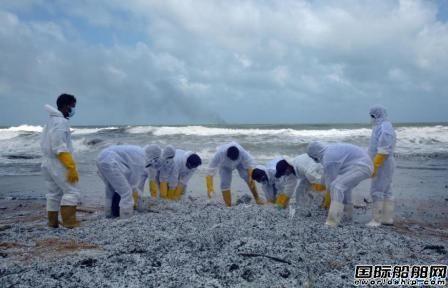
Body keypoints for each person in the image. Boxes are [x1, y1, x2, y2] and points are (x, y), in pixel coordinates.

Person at [307, 141, 373, 227]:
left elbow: (331, 182)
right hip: (363, 164)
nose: (315, 160)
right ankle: (348, 215)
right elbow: (326, 175)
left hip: (362, 166)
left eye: (313, 158)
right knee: (344, 187)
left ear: (315, 155)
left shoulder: (328, 158)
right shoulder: (329, 151)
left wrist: (327, 202)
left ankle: (333, 220)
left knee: (337, 186)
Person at [40, 93, 80, 228]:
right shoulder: (61, 122)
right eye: (72, 107)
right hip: (58, 162)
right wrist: (70, 166)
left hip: (47, 162)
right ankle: (70, 223)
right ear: (66, 106)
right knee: (71, 191)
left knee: (53, 193)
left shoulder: (50, 121)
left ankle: (52, 223)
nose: (73, 110)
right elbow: (60, 146)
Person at [97, 145, 151, 218]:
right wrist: (139, 195)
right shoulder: (141, 160)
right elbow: (133, 183)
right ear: (151, 158)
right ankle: (126, 217)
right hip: (110, 161)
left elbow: (127, 174)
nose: (147, 166)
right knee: (126, 192)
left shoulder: (138, 151)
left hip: (101, 158)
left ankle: (109, 214)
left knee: (110, 189)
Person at [205, 141, 264, 207]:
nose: (233, 161)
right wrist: (210, 187)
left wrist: (250, 177)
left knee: (248, 177)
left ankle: (257, 199)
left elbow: (249, 165)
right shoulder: (220, 153)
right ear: (226, 155)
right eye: (231, 159)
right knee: (224, 183)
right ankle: (228, 205)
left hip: (240, 163)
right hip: (224, 166)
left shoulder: (242, 152)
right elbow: (210, 169)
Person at [367, 106, 396, 227]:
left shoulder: (385, 127)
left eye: (372, 116)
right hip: (383, 162)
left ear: (376, 115)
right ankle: (387, 218)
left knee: (377, 190)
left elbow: (384, 148)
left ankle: (376, 220)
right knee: (386, 190)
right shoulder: (381, 126)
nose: (371, 118)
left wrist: (375, 164)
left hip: (383, 163)